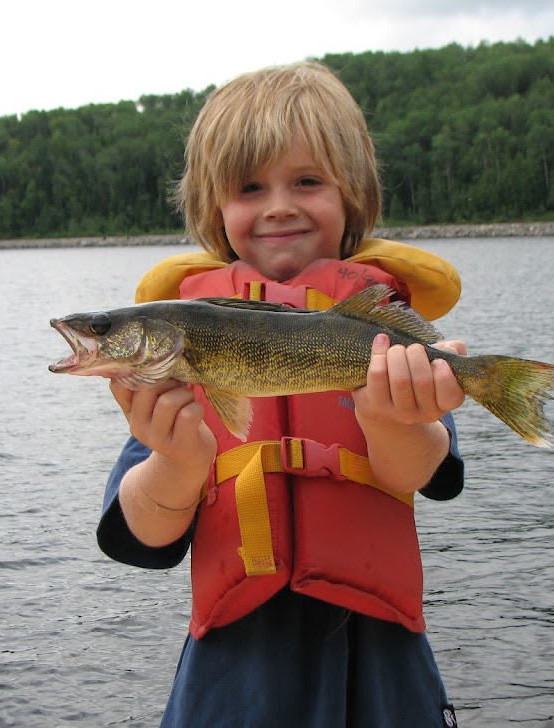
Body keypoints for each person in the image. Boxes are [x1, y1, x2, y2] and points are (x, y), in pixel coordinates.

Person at [97, 61, 467, 727]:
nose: (278, 206)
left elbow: (423, 470)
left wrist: (394, 423)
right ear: (214, 209)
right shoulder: (177, 357)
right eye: (248, 187)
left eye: (306, 181)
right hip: (235, 682)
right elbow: (141, 534)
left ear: (352, 194)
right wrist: (177, 465)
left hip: (380, 675)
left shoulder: (382, 333)